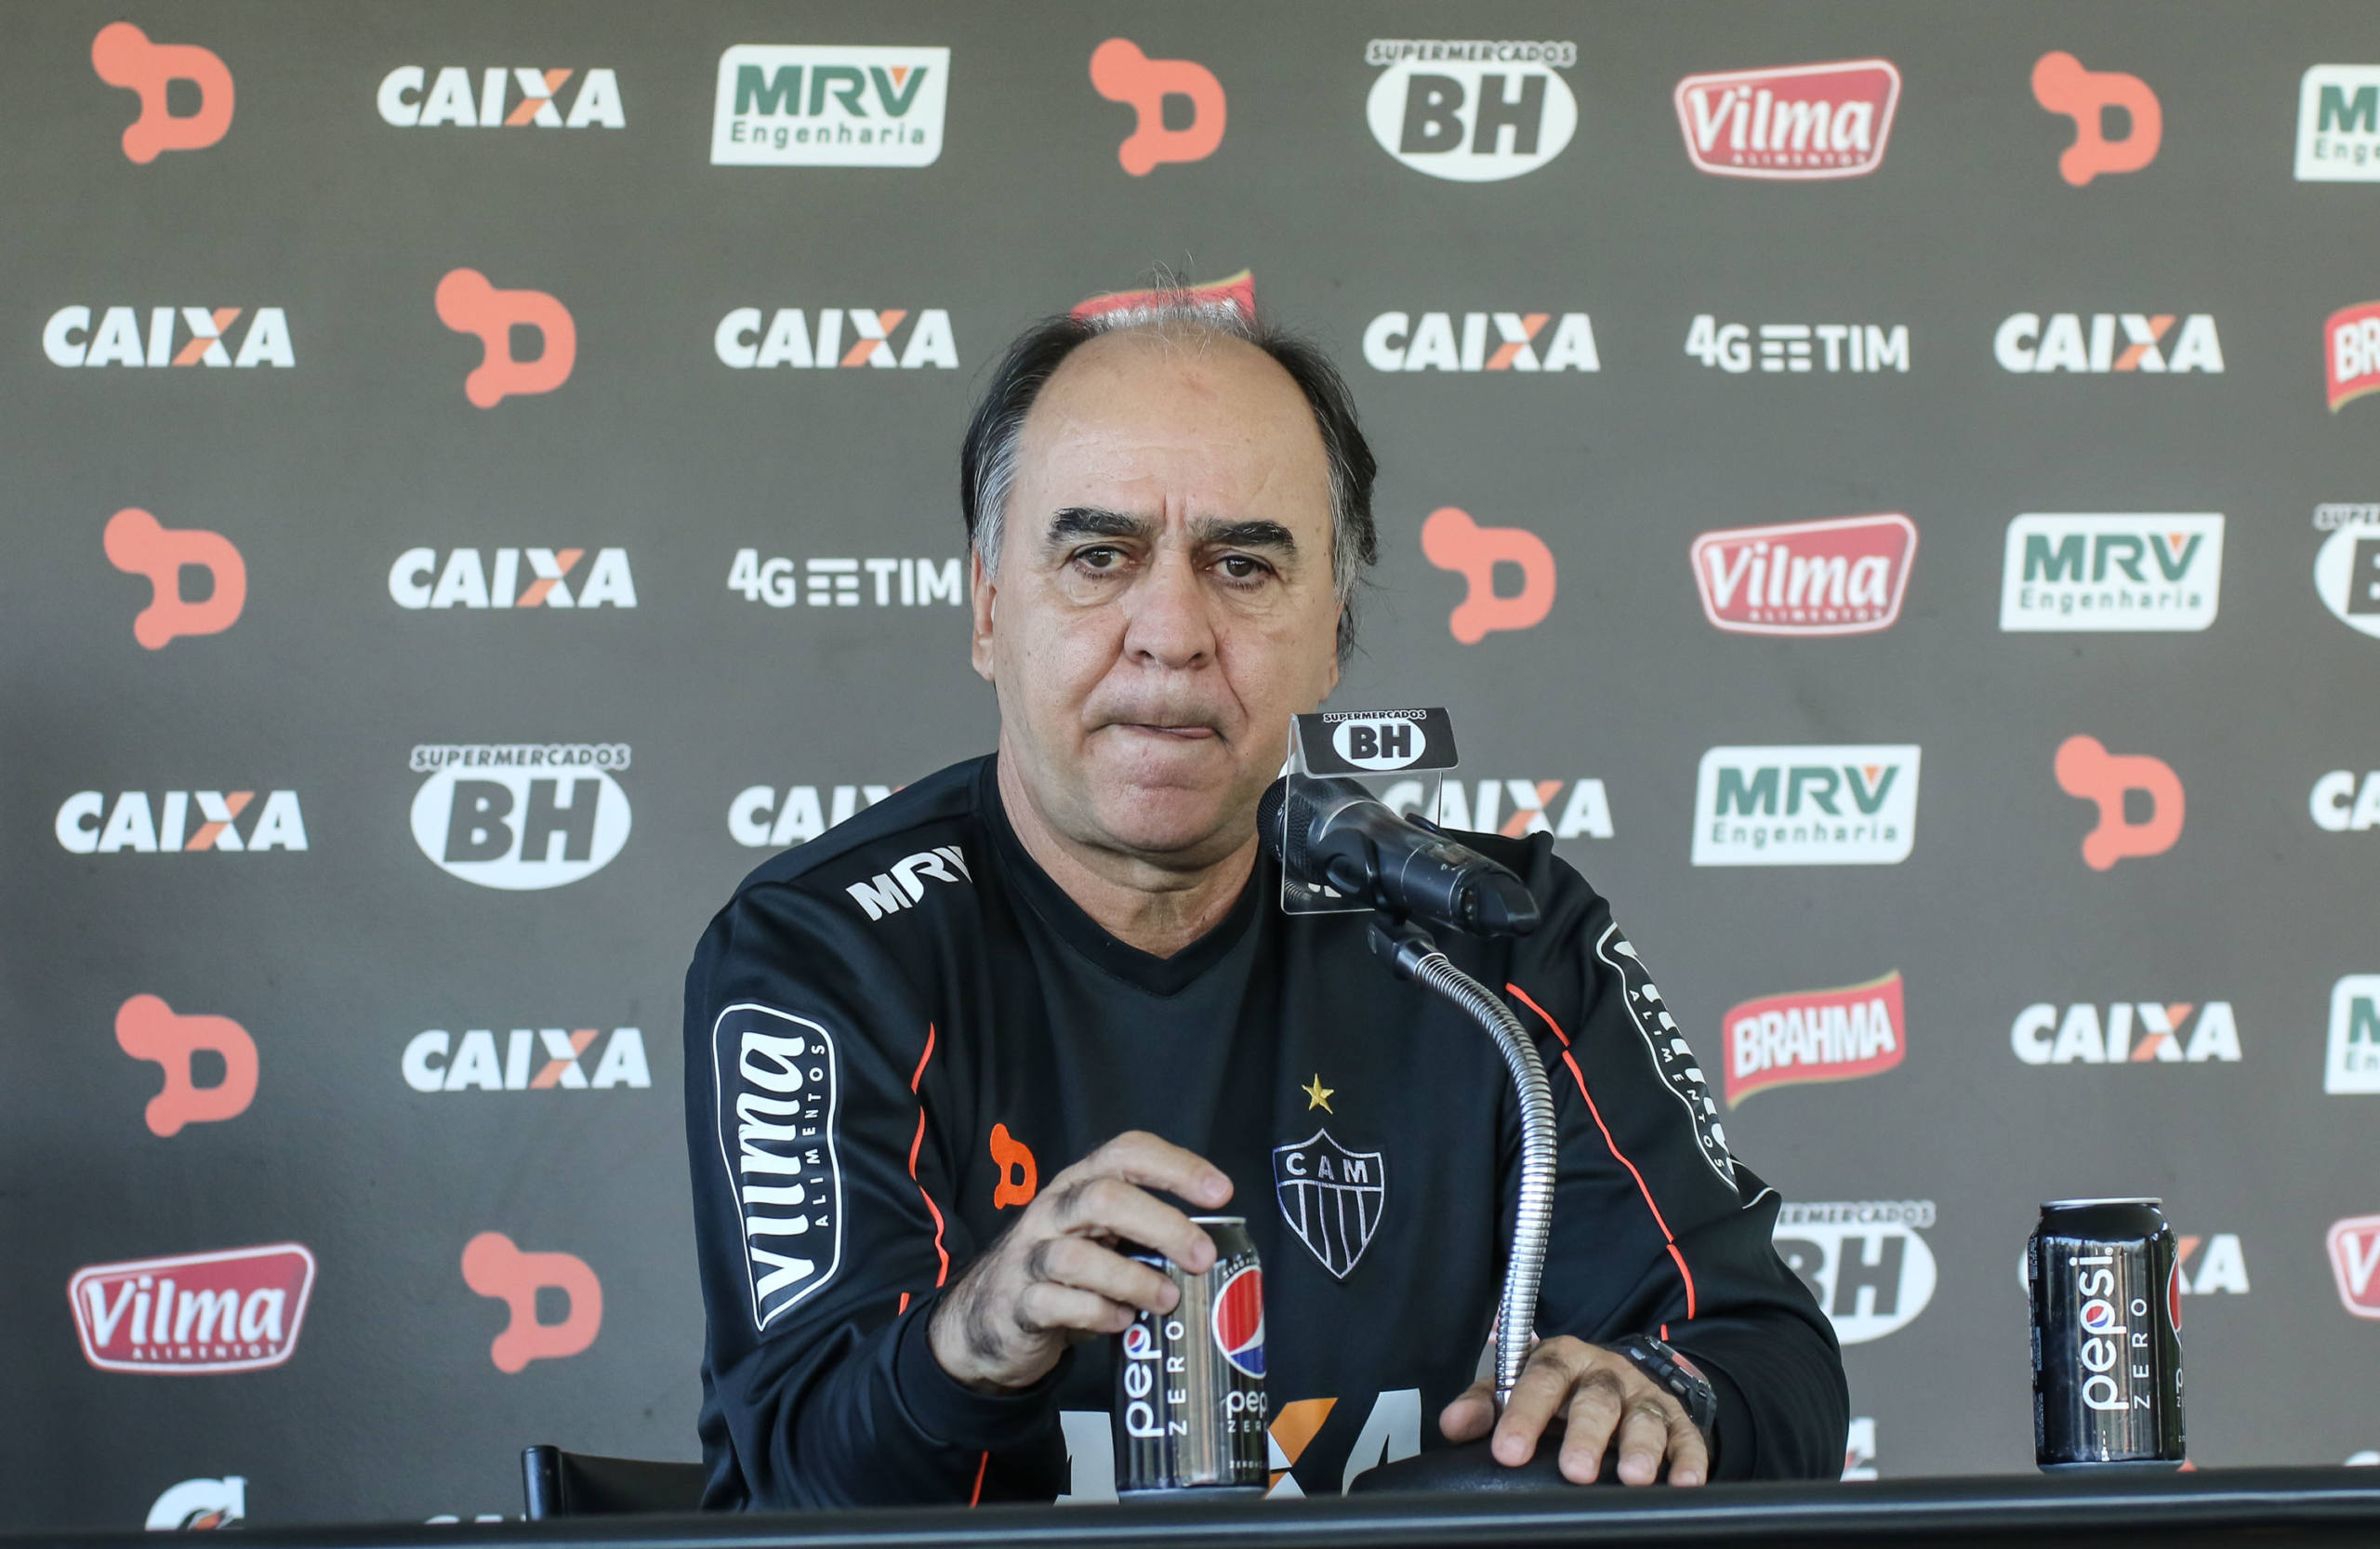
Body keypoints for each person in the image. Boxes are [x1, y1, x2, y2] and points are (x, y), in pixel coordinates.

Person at [681, 290, 1847, 1509]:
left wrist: (1666, 1397)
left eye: (1243, 563)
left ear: (1333, 629)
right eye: (1099, 556)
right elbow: (802, 1481)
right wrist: (980, 1334)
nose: (1173, 632)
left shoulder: (1491, 937)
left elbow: (1768, 1362)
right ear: (987, 610)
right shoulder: (825, 954)